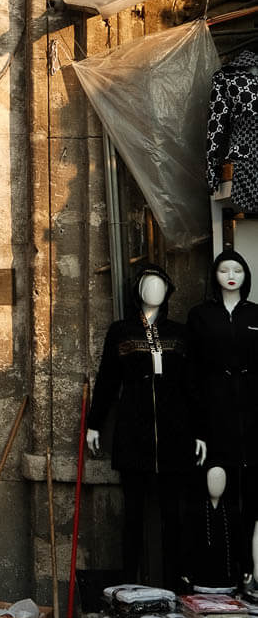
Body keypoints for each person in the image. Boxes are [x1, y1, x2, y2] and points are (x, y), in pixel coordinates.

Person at [87, 265, 205, 589]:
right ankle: (129, 581)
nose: (154, 291)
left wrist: (199, 431)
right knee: (133, 514)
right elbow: (108, 380)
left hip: (174, 434)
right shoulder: (121, 332)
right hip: (134, 433)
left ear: (168, 292)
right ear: (138, 291)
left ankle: (174, 582)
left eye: (160, 285)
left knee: (172, 514)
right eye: (147, 285)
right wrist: (94, 424)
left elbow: (191, 385)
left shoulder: (179, 334)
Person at [188, 248, 258, 586]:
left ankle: (248, 568)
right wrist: (199, 427)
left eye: (238, 270)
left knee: (252, 493)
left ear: (246, 276)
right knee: (219, 488)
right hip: (216, 408)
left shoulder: (255, 314)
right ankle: (220, 570)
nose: (231, 275)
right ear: (215, 276)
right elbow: (193, 372)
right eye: (224, 270)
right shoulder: (201, 316)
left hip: (251, 409)